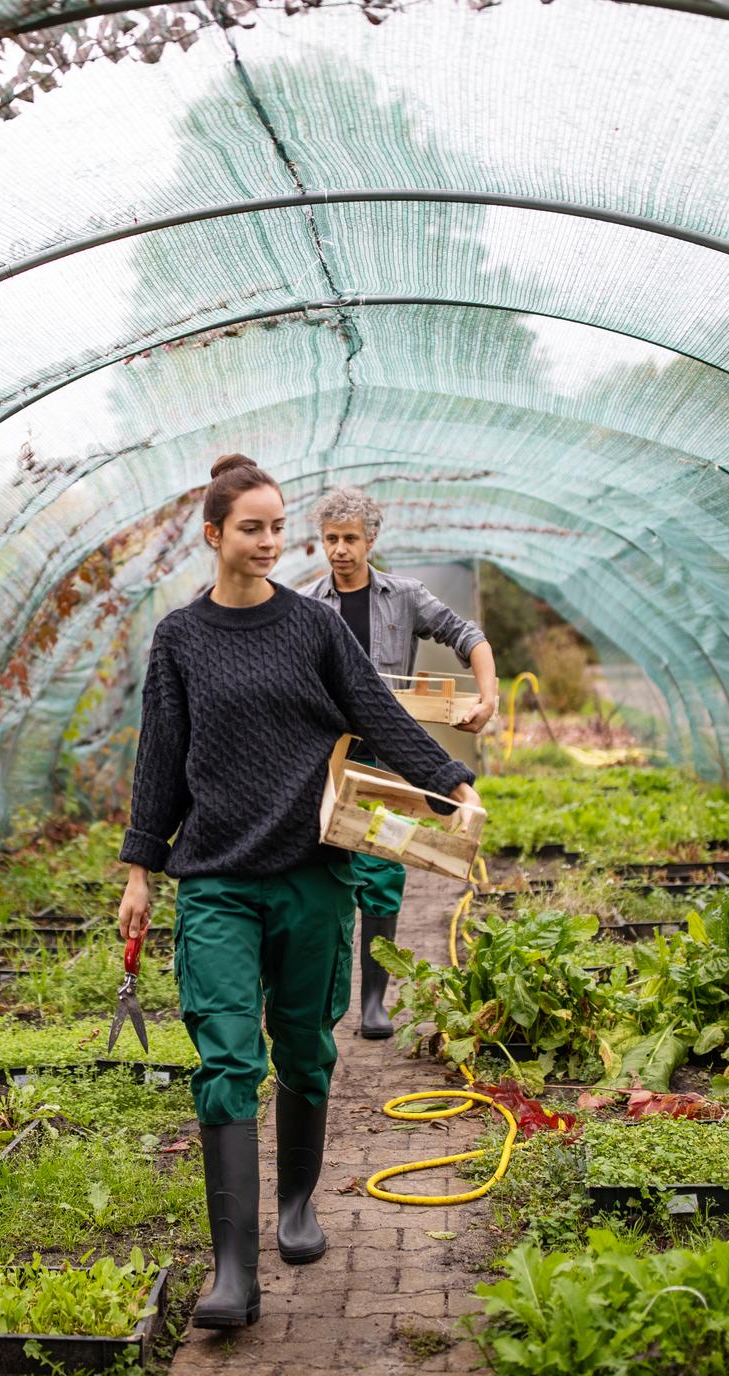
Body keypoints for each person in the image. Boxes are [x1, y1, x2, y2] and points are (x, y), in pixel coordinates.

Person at [118, 454, 480, 1331]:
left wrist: (453, 784)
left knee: (305, 1050)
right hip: (215, 884)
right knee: (228, 1061)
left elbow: (379, 715)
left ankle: (297, 1207)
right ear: (213, 536)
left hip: (312, 877)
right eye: (254, 528)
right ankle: (233, 1275)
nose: (272, 542)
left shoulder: (315, 629)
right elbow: (160, 755)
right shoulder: (180, 638)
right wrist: (140, 868)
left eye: (280, 526)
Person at [298, 487, 498, 1039]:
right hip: (331, 754)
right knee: (328, 869)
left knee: (384, 869)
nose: (340, 550)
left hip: (388, 753)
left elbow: (467, 635)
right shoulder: (307, 604)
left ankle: (374, 1002)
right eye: (331, 539)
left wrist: (489, 696)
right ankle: (323, 997)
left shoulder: (403, 596)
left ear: (371, 540)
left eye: (350, 539)